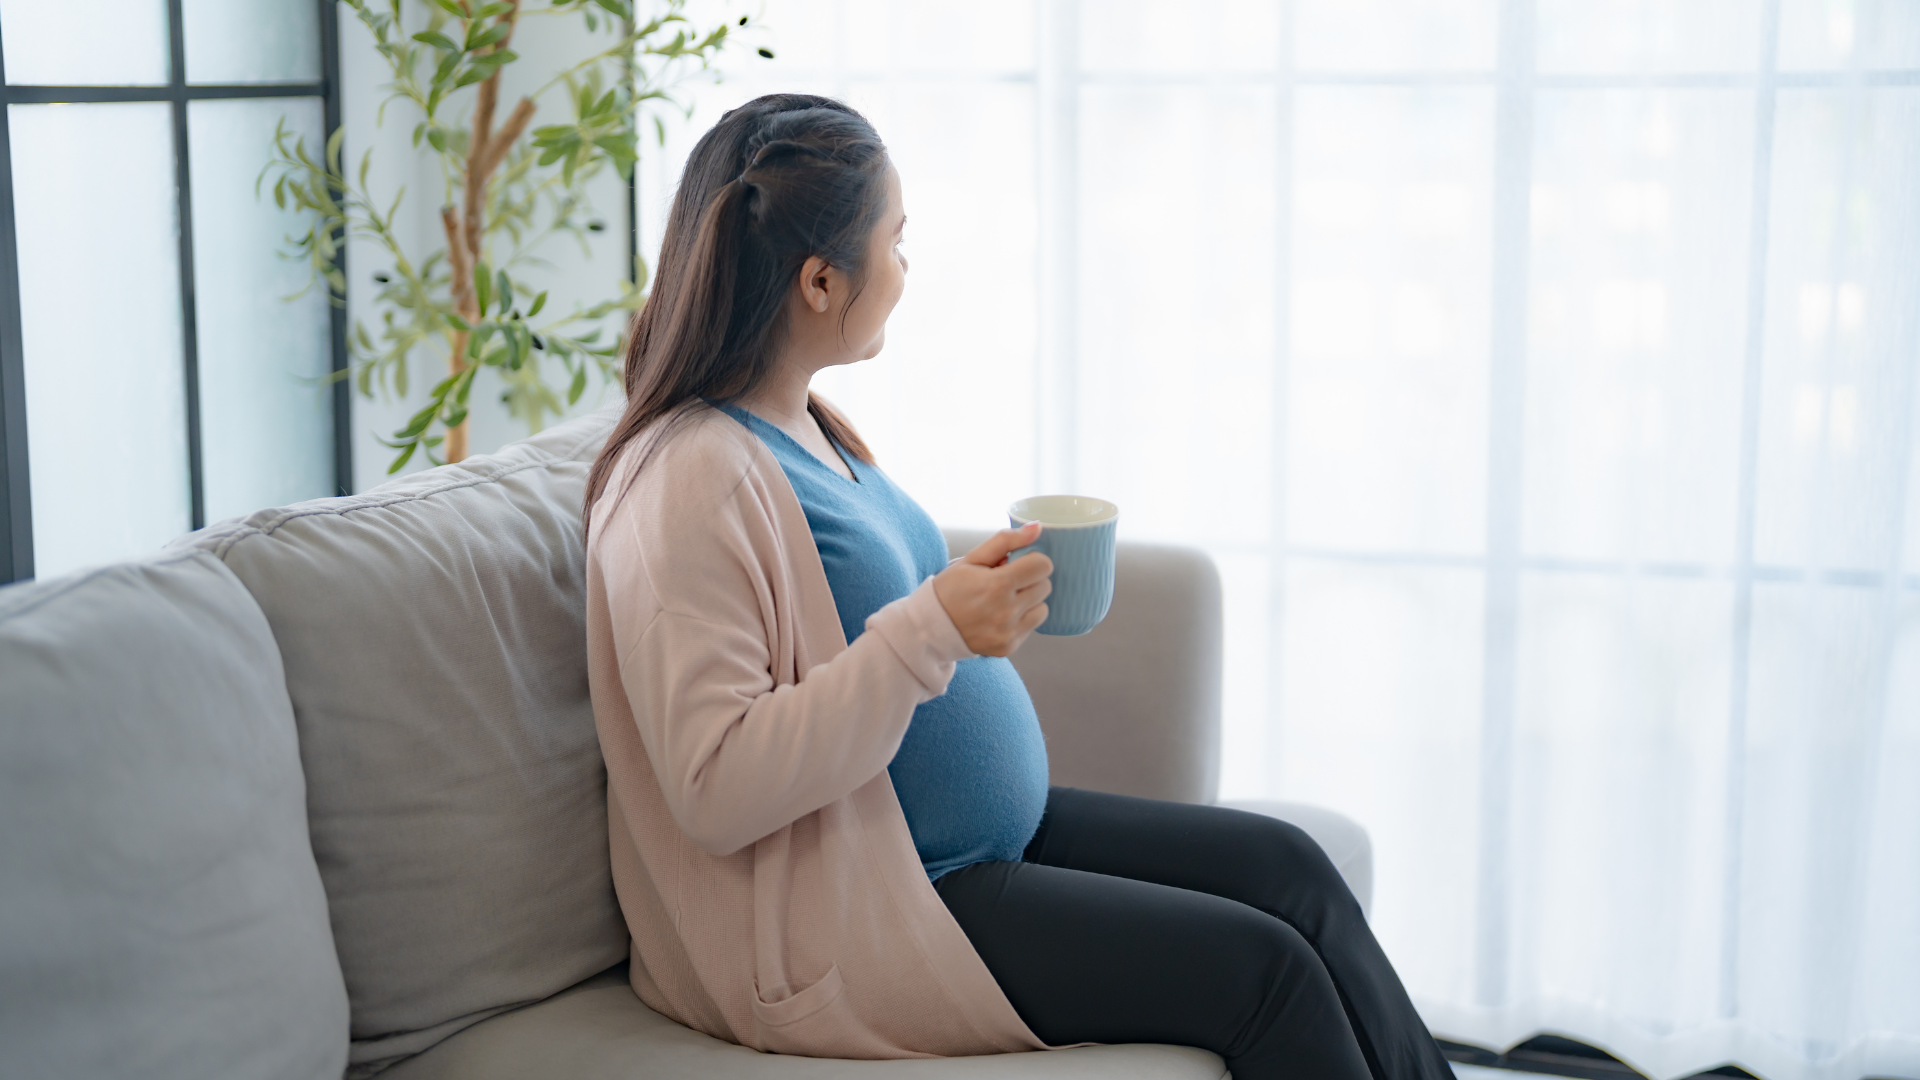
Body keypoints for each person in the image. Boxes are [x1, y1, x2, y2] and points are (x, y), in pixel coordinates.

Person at [582, 93, 1457, 1080]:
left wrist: (960, 602)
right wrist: (930, 633)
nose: (906, 272)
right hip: (872, 914)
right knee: (1268, 976)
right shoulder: (688, 477)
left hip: (959, 855)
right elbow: (714, 784)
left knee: (1291, 871)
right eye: (896, 242)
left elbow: (850, 625)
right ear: (821, 279)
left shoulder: (805, 423)